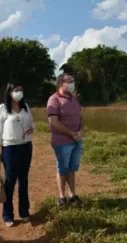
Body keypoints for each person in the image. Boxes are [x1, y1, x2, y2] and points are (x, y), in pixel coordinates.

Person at [0, 84, 34, 227]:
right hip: (10, 148)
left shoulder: (26, 107)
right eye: (16, 90)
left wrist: (30, 129)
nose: (19, 93)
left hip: (26, 147)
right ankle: (7, 214)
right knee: (10, 181)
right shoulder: (2, 109)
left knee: (24, 180)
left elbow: (32, 125)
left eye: (21, 90)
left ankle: (24, 212)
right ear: (9, 92)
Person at [47, 73, 84, 207]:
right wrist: (70, 133)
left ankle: (72, 195)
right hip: (62, 142)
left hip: (76, 140)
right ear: (61, 83)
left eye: (72, 81)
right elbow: (54, 122)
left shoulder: (74, 98)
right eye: (69, 81)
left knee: (71, 169)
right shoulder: (54, 99)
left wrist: (81, 132)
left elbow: (81, 117)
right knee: (62, 169)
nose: (72, 83)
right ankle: (62, 197)